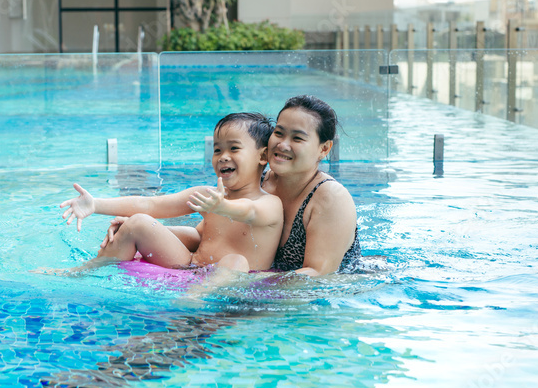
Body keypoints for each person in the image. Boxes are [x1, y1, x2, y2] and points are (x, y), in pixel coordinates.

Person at [101, 95, 361, 275]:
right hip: (237, 274)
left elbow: (317, 277)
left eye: (298, 138)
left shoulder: (330, 198)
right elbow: (211, 234)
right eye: (279, 133)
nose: (282, 144)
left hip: (305, 298)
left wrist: (247, 284)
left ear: (324, 148)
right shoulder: (262, 181)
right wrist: (141, 226)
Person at [60, 112, 283, 272]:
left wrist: (222, 207)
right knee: (138, 222)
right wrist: (96, 205)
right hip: (192, 265)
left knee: (235, 261)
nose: (223, 156)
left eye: (234, 148)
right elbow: (151, 205)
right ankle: (82, 272)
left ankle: (193, 302)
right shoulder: (209, 195)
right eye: (217, 149)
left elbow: (249, 212)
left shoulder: (269, 203)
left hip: (237, 281)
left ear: (263, 156)